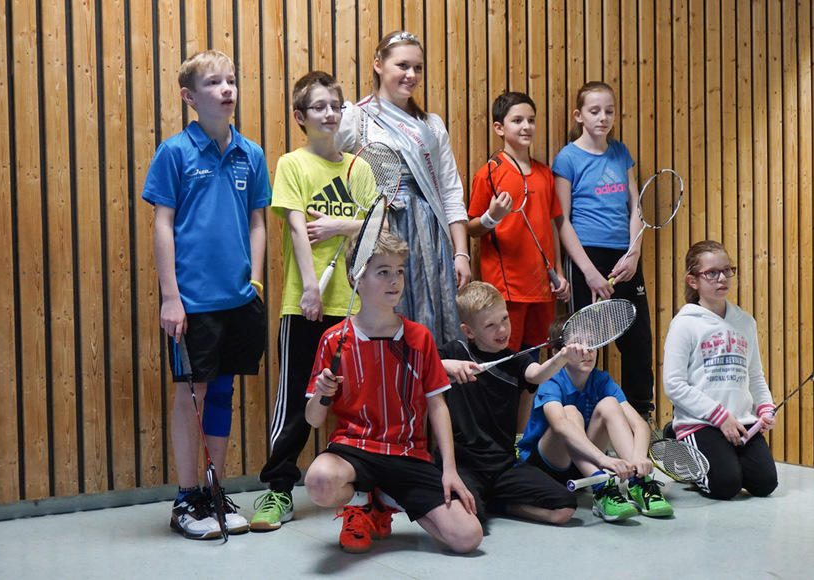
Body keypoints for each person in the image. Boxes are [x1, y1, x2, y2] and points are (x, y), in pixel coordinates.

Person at [142, 49, 270, 539]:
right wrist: (170, 297)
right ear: (189, 96)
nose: (226, 89)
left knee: (222, 391)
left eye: (231, 80)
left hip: (238, 300)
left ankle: (215, 492)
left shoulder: (251, 154)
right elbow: (163, 224)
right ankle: (186, 498)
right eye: (214, 82)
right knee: (190, 393)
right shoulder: (174, 152)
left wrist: (254, 282)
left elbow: (257, 222)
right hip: (192, 303)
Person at [303, 232, 483, 554]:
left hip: (407, 454)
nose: (395, 280)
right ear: (356, 278)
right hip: (354, 450)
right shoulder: (333, 339)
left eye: (399, 270)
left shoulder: (420, 337)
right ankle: (361, 500)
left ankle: (384, 499)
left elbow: (438, 405)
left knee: (468, 537)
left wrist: (449, 469)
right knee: (319, 481)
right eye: (383, 271)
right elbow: (314, 420)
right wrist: (321, 393)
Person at [249, 71, 374, 531]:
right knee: (297, 399)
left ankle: (367, 487)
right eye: (319, 107)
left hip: (356, 305)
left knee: (359, 401)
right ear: (301, 116)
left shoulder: (359, 169)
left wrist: (341, 226)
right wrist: (310, 288)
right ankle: (279, 490)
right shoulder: (292, 164)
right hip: (307, 304)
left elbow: (379, 225)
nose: (329, 114)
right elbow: (298, 227)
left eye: (335, 106)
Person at [335, 30, 470, 345]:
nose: (411, 75)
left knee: (434, 325)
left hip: (432, 238)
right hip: (382, 233)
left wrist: (461, 252)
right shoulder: (356, 118)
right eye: (402, 65)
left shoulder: (432, 125)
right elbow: (328, 168)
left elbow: (450, 191)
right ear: (378, 64)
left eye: (418, 67)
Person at [437, 282, 584, 525]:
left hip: (503, 466)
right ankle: (484, 503)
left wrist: (562, 358)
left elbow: (537, 374)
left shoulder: (516, 360)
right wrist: (447, 365)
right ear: (469, 331)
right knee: (469, 517)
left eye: (504, 319)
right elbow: (420, 364)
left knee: (565, 507)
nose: (502, 329)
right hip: (464, 465)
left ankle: (499, 504)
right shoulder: (454, 351)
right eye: (491, 325)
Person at [552, 81, 655, 417]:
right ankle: (579, 417)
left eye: (609, 111)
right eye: (595, 111)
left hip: (625, 257)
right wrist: (590, 273)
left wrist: (634, 253)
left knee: (639, 342)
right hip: (587, 257)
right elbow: (562, 220)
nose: (603, 117)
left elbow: (635, 206)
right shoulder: (567, 158)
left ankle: (642, 416)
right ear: (578, 115)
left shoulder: (620, 152)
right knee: (583, 344)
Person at [516, 321, 674, 522]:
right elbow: (560, 426)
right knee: (570, 413)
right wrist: (603, 460)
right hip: (546, 467)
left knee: (609, 404)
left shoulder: (601, 380)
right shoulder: (551, 380)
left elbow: (639, 425)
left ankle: (640, 483)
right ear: (558, 353)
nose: (587, 351)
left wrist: (638, 458)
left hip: (583, 466)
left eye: (592, 343)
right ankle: (602, 488)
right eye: (578, 345)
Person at [662, 240, 778, 500]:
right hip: (700, 422)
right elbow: (674, 384)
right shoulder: (684, 324)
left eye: (727, 270)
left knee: (765, 484)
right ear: (693, 281)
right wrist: (720, 417)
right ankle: (678, 442)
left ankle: (723, 459)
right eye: (712, 273)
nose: (722, 278)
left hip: (741, 423)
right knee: (725, 486)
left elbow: (754, 376)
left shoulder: (745, 322)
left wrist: (765, 407)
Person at [467, 92, 571, 350]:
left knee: (535, 359)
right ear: (499, 128)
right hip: (506, 289)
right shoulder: (488, 174)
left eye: (531, 120)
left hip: (543, 287)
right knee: (506, 357)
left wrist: (558, 272)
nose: (527, 126)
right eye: (517, 120)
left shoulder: (545, 173)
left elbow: (552, 226)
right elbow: (472, 228)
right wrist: (491, 217)